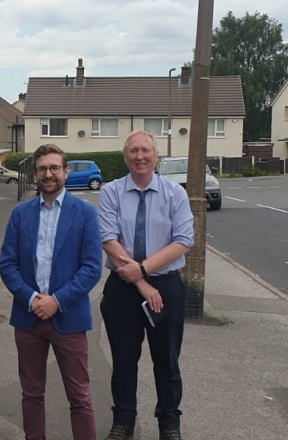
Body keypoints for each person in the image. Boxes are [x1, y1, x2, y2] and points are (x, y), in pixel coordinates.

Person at [0, 144, 102, 440]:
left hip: (69, 318)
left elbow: (92, 268)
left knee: (80, 397)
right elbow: (8, 265)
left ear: (65, 172)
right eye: (43, 168)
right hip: (28, 318)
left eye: (55, 168)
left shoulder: (84, 213)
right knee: (31, 394)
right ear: (35, 174)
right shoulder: (20, 214)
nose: (49, 174)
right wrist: (32, 299)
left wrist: (56, 301)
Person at [98, 131, 194, 440]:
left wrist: (142, 270)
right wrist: (140, 281)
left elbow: (183, 240)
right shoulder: (112, 192)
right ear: (125, 156)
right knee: (124, 361)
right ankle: (123, 421)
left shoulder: (174, 193)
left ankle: (169, 424)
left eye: (146, 150)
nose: (140, 156)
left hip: (166, 287)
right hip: (122, 290)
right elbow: (108, 238)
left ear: (156, 156)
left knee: (167, 361)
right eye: (134, 151)